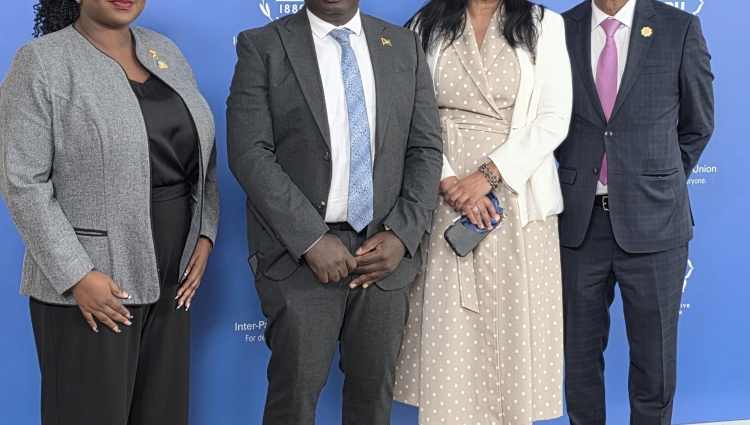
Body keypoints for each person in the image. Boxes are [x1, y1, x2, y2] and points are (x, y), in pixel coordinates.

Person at [0, 0, 219, 423]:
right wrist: (77, 275)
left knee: (163, 414)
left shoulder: (165, 50)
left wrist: (205, 233)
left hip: (173, 274)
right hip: (95, 282)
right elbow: (22, 182)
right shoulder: (41, 62)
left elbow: (203, 154)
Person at [226, 0, 442, 423]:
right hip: (300, 258)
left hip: (383, 259)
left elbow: (426, 148)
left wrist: (403, 234)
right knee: (293, 403)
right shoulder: (263, 45)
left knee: (372, 406)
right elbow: (249, 153)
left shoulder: (403, 45)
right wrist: (309, 238)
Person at [393, 0, 572, 423]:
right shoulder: (423, 25)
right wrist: (450, 183)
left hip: (517, 195)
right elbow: (411, 116)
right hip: (442, 196)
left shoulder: (544, 24)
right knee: (451, 331)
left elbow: (554, 118)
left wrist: (487, 176)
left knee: (512, 330)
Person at [557, 0, 714, 423]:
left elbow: (698, 125)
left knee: (654, 364)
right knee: (579, 359)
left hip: (655, 223)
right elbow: (548, 120)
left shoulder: (679, 28)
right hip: (579, 224)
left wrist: (653, 183)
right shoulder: (558, 29)